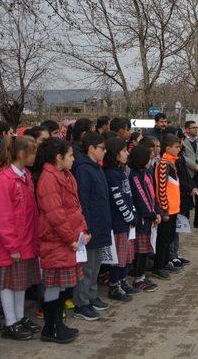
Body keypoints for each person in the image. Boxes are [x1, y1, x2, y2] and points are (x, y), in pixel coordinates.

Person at [33, 137, 86, 344]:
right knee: (54, 285)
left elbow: (75, 206)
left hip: (68, 239)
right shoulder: (48, 179)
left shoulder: (65, 175)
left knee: (64, 286)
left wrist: (82, 230)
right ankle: (50, 327)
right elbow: (55, 214)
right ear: (59, 157)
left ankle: (58, 324)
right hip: (57, 240)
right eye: (71, 155)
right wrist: (71, 238)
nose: (73, 159)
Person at [0, 136, 41, 340]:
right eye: (33, 152)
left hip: (26, 240)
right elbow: (2, 216)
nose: (35, 156)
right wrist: (12, 245)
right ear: (22, 154)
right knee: (8, 284)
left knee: (20, 283)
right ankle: (10, 322)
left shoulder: (25, 175)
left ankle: (19, 318)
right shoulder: (4, 179)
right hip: (12, 243)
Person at [72, 132, 112, 321]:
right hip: (90, 225)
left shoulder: (97, 167)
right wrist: (85, 226)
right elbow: (83, 201)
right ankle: (81, 303)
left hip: (100, 224)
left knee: (96, 265)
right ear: (91, 149)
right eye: (102, 148)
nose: (104, 152)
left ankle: (92, 296)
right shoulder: (83, 169)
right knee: (86, 267)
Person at [102, 138, 137, 302]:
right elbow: (118, 199)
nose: (127, 153)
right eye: (124, 151)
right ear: (116, 155)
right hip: (118, 223)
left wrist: (133, 214)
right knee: (118, 256)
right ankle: (114, 285)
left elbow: (128, 196)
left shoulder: (121, 171)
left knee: (126, 254)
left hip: (128, 222)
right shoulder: (110, 174)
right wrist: (129, 216)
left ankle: (123, 281)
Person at [127, 145, 160, 292]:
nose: (151, 159)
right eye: (148, 157)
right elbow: (141, 198)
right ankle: (138, 278)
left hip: (148, 218)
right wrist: (151, 214)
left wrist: (157, 211)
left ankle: (142, 275)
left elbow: (152, 194)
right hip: (141, 220)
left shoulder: (145, 173)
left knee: (145, 249)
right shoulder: (134, 176)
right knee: (140, 251)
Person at [151, 134, 182, 279]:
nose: (178, 150)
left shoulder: (172, 162)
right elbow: (161, 189)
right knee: (163, 240)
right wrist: (164, 210)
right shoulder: (163, 164)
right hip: (167, 209)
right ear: (168, 148)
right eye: (176, 147)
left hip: (174, 208)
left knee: (169, 238)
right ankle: (158, 266)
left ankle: (164, 262)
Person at [182, 121, 198, 229]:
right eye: (193, 127)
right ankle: (185, 220)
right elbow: (183, 156)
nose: (195, 129)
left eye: (196, 127)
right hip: (190, 174)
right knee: (187, 199)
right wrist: (194, 166)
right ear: (187, 130)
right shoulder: (183, 141)